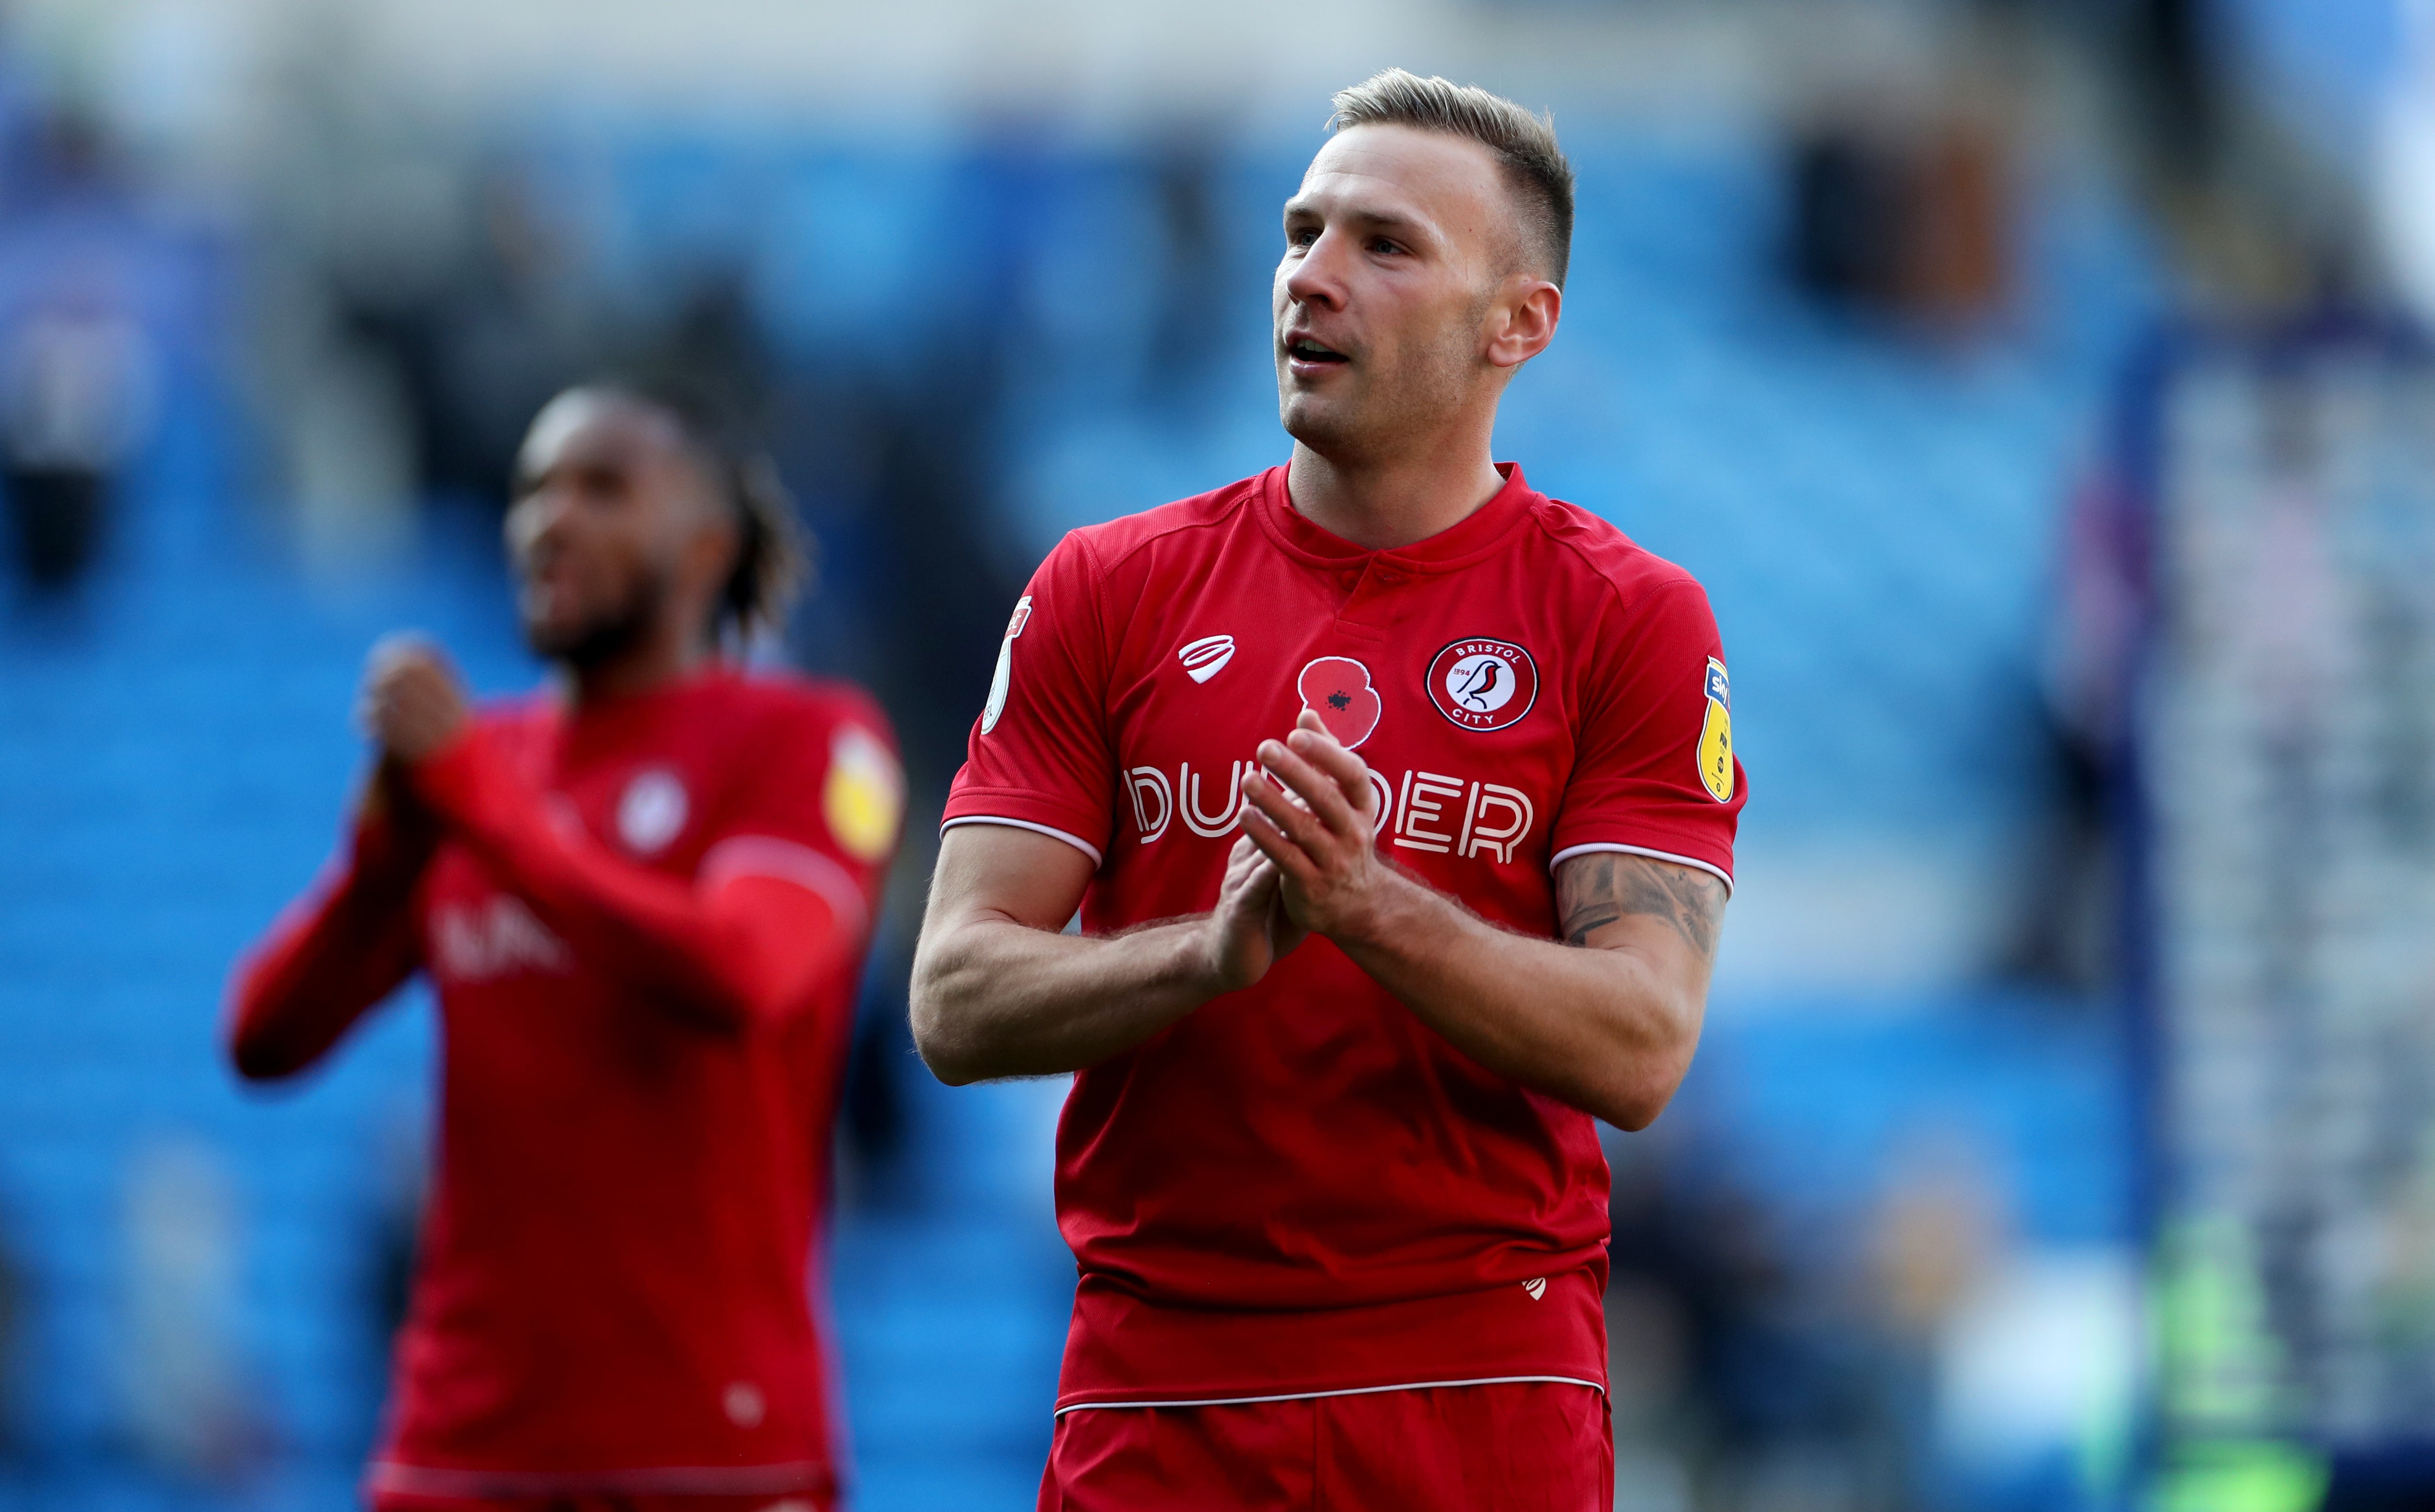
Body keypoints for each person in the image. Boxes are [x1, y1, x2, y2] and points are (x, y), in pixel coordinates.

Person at [911, 70, 1746, 1509]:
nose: (1311, 275)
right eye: (1301, 232)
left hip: (1479, 1381)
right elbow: (952, 997)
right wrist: (1209, 953)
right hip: (1159, 1378)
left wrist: (1363, 903)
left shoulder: (1626, 616)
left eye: (1384, 244)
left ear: (1517, 323)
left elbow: (1640, 1041)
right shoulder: (1104, 590)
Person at [226, 382, 902, 1512]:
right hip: (460, 1446)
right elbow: (262, 1041)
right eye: (533, 489)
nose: (549, 518)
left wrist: (486, 808)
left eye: (601, 488)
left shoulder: (808, 741)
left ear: (702, 548)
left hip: (711, 1451)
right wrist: (381, 865)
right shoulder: (485, 765)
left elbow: (744, 970)